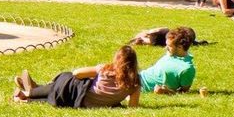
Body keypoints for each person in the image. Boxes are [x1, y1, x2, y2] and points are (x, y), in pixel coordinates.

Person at [13, 46, 141, 108]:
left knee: (67, 78)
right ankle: (25, 99)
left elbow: (77, 73)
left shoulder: (105, 70)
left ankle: (28, 91)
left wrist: (93, 77)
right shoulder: (135, 83)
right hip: (83, 104)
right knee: (58, 97)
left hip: (79, 94)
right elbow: (133, 106)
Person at [138, 26, 196, 94]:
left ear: (180, 47)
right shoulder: (171, 53)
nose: (166, 48)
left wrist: (166, 91)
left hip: (139, 87)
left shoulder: (186, 69)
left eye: (169, 46)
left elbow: (183, 91)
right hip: (138, 76)